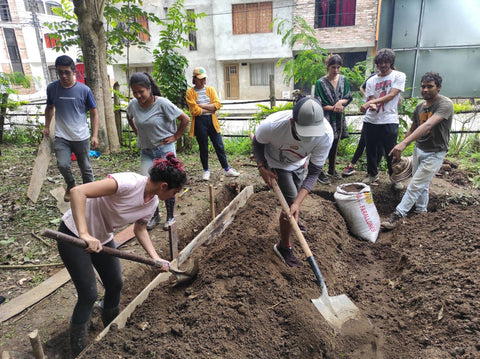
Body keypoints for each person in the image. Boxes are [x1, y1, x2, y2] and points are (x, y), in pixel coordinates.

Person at [57, 153, 186, 357]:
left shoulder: (152, 202)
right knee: (89, 294)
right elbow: (77, 192)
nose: (174, 196)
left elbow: (140, 229)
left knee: (115, 283)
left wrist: (155, 258)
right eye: (174, 192)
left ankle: (112, 332)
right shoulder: (127, 183)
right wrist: (84, 234)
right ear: (164, 186)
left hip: (102, 237)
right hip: (73, 234)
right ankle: (78, 351)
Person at [251, 97, 333, 267]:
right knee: (289, 205)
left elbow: (314, 173)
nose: (308, 139)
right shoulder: (273, 125)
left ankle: (293, 218)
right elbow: (257, 143)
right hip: (275, 163)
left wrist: (298, 203)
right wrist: (261, 167)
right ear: (292, 122)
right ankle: (284, 246)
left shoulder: (326, 134)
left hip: (299, 164)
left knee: (295, 202)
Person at [381, 72, 453, 230]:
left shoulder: (445, 104)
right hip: (419, 149)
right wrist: (402, 145)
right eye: (423, 86)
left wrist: (404, 143)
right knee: (423, 184)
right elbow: (413, 128)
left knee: (415, 184)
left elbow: (427, 125)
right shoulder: (420, 107)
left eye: (430, 86)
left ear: (438, 87)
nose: (425, 90)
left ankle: (397, 215)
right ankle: (421, 212)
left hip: (435, 152)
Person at [127, 72, 190, 230]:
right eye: (135, 92)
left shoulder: (161, 103)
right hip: (146, 151)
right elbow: (129, 117)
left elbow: (185, 119)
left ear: (149, 89)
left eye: (141, 91)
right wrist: (138, 134)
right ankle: (153, 215)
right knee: (147, 185)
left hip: (164, 150)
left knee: (168, 183)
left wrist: (175, 136)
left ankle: (170, 216)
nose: (138, 95)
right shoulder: (133, 104)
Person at [42, 55, 99, 202]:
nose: (63, 75)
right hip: (62, 136)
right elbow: (49, 108)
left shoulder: (84, 90)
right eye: (60, 72)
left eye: (67, 72)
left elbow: (94, 112)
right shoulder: (52, 88)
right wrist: (47, 126)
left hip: (81, 136)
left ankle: (89, 192)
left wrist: (95, 135)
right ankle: (71, 185)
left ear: (73, 72)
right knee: (62, 164)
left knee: (85, 167)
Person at [360, 48, 406, 190]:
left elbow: (392, 95)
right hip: (371, 120)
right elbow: (372, 96)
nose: (383, 65)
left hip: (389, 119)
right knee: (371, 149)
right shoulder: (372, 80)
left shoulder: (399, 76)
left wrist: (368, 104)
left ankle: (395, 178)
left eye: (386, 62)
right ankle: (372, 174)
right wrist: (372, 103)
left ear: (391, 62)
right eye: (380, 63)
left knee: (390, 151)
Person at [186, 67, 240, 181]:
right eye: (200, 79)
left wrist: (202, 106)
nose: (203, 81)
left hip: (212, 120)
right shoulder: (190, 92)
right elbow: (194, 111)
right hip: (200, 122)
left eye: (204, 79)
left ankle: (227, 169)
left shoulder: (210, 90)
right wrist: (210, 108)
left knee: (219, 145)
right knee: (203, 147)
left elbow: (217, 105)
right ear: (194, 79)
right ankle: (206, 170)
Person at [314, 54, 352, 184]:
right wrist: (334, 107)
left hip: (339, 117)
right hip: (326, 118)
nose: (335, 70)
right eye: (333, 67)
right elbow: (319, 102)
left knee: (335, 143)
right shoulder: (320, 83)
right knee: (324, 143)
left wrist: (341, 102)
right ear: (327, 66)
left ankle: (332, 169)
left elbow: (348, 97)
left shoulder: (343, 80)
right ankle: (319, 171)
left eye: (338, 67)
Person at [342, 71, 378, 177]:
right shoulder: (373, 77)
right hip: (371, 116)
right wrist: (368, 98)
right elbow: (362, 87)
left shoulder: (394, 76)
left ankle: (374, 171)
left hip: (385, 118)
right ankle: (351, 165)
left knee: (380, 146)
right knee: (363, 140)